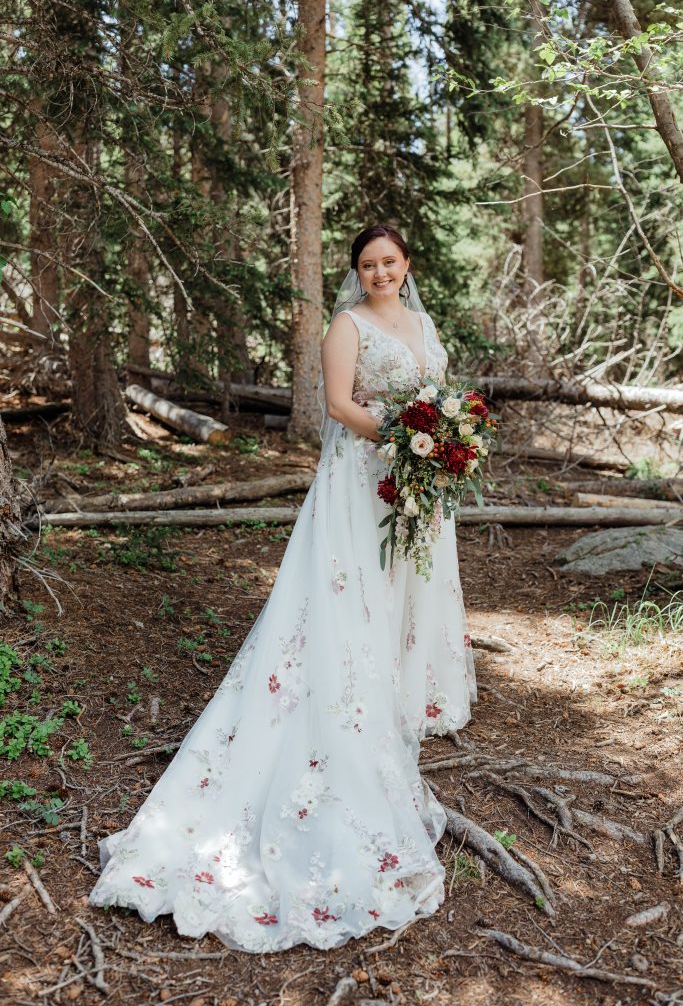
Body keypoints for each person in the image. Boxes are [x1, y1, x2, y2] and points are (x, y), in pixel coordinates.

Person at [88, 223, 477, 953]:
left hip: (416, 487)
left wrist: (441, 449)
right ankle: (339, 707)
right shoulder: (346, 325)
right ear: (356, 272)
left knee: (401, 591)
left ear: (406, 264)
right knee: (348, 597)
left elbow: (437, 394)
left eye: (389, 261)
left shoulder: (421, 322)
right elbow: (337, 406)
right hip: (363, 482)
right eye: (368, 264)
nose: (380, 272)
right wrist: (406, 444)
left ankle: (389, 694)